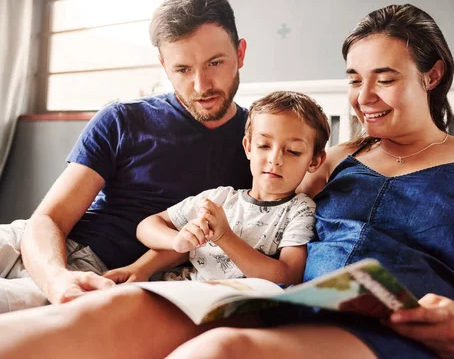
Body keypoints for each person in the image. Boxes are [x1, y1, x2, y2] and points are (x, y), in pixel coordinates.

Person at [0, 4, 454, 359]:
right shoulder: (337, 157)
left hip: (395, 327)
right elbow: (263, 192)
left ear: (433, 75)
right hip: (288, 305)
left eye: (386, 79)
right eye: (353, 78)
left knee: (218, 351)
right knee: (123, 308)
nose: (364, 98)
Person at [0, 0, 252, 337]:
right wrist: (57, 279)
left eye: (215, 63)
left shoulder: (265, 145)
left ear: (240, 53)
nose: (200, 84)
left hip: (96, 274)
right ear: (164, 66)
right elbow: (50, 218)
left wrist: (71, 287)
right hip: (32, 243)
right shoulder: (122, 119)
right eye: (182, 69)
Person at [130, 91, 329, 285]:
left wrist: (225, 237)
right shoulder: (220, 199)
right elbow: (147, 226)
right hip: (179, 289)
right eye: (263, 145)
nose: (275, 160)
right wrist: (177, 241)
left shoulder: (299, 210)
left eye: (293, 151)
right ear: (248, 147)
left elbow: (288, 275)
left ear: (314, 161)